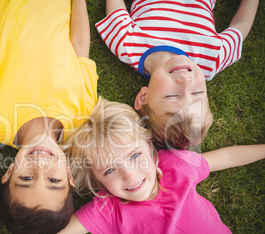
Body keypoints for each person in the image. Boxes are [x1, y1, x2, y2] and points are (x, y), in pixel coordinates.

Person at [0, 98, 264, 234]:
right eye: (110, 171)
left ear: (152, 151)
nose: (129, 175)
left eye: (134, 156)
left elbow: (225, 157)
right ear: (98, 181)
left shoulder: (178, 166)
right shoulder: (108, 211)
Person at [0, 0, 98, 234]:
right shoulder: (81, 119)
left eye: (26, 179)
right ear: (70, 177)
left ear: (9, 172)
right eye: (54, 180)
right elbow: (80, 48)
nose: (40, 166)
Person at [96, 0, 258, 150]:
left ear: (143, 97)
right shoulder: (212, 58)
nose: (186, 82)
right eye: (197, 93)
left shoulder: (127, 45)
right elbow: (241, 25)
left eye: (172, 96)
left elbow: (115, 8)